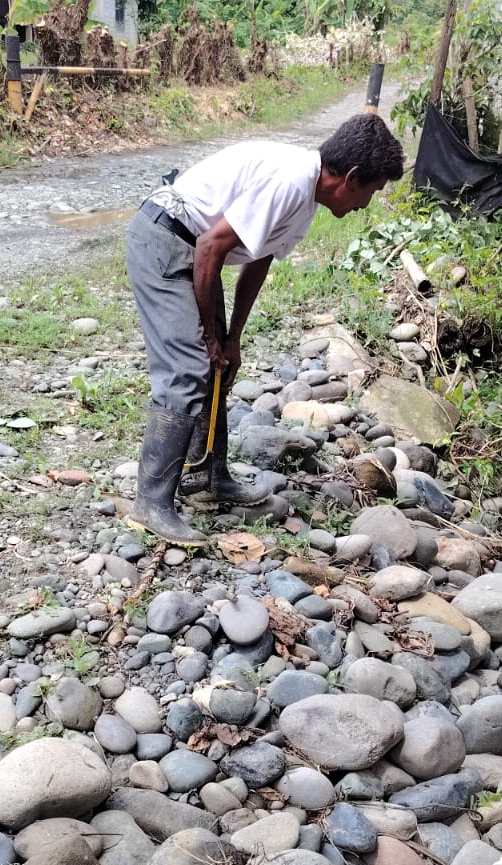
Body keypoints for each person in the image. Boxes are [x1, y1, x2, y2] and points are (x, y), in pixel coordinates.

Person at [124, 113, 405, 544]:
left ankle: (207, 479)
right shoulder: (290, 181)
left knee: (216, 366)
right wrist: (209, 337)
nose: (365, 204)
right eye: (371, 191)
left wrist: (231, 339)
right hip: (165, 240)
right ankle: (151, 503)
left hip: (194, 248)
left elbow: (257, 259)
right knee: (186, 369)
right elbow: (211, 246)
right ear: (350, 178)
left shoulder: (306, 197)